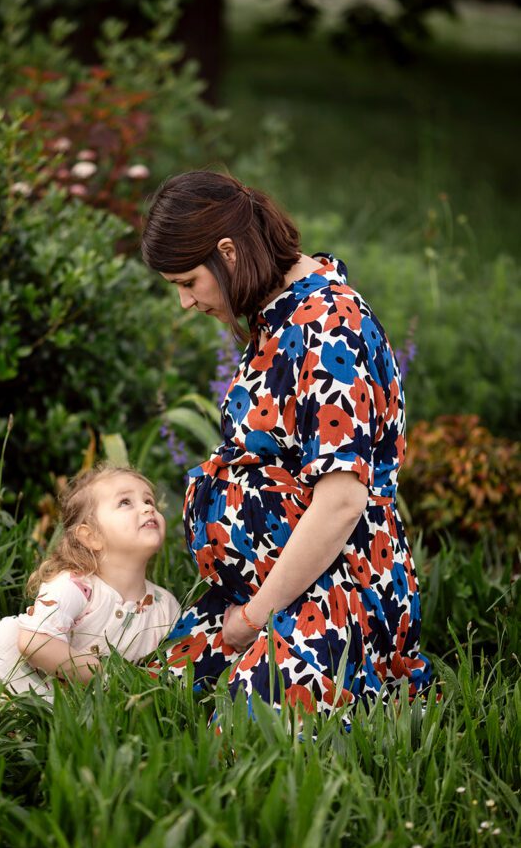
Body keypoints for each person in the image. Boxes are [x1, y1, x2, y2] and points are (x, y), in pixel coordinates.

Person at [141, 170, 432, 724]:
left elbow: (343, 502)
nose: (184, 302)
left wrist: (252, 617)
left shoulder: (329, 324)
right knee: (151, 702)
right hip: (272, 588)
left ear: (227, 252)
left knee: (248, 732)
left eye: (187, 281)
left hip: (335, 588)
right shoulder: (279, 317)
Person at [0, 464, 181, 701]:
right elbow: (35, 643)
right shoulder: (74, 585)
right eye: (125, 502)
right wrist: (105, 675)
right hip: (15, 681)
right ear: (91, 536)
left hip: (79, 710)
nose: (147, 508)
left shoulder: (165, 607)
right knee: (9, 642)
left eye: (149, 501)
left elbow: (177, 668)